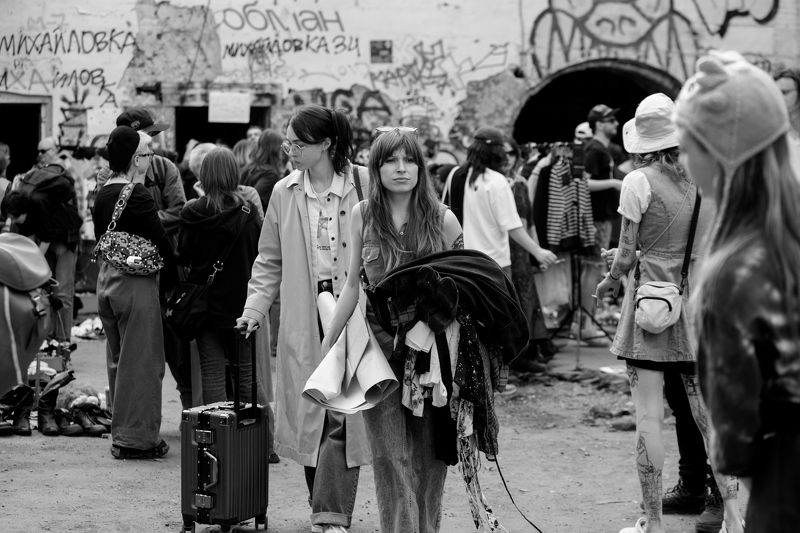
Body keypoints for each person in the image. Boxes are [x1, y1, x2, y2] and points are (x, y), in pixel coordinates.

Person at [595, 93, 743, 533]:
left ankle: (654, 523)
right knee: (708, 419)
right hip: (697, 307)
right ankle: (734, 518)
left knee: (648, 419)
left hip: (651, 309)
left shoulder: (638, 181)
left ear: (642, 141)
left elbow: (624, 257)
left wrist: (610, 278)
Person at [676, 50, 800, 532]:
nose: (684, 163)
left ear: (719, 155)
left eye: (689, 147)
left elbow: (734, 445)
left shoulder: (731, 276)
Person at [236, 104, 370, 533]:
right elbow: (269, 259)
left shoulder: (364, 183)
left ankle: (330, 514)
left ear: (327, 144)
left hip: (355, 311)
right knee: (313, 411)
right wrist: (254, 310)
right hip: (303, 313)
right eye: (289, 142)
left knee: (345, 410)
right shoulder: (284, 192)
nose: (290, 150)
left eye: (299, 143)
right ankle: (325, 507)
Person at [320, 128, 462, 532]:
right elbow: (351, 284)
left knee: (429, 458)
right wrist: (330, 344)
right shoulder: (363, 213)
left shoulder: (443, 219)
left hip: (432, 356)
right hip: (377, 351)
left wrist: (435, 328)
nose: (401, 169)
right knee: (389, 455)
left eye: (409, 160)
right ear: (376, 168)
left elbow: (462, 292)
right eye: (389, 161)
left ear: (420, 166)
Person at [93, 126, 174, 459]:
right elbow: (163, 242)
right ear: (133, 159)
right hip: (135, 284)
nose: (150, 159)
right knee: (141, 362)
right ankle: (137, 441)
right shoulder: (136, 194)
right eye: (146, 153)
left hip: (108, 280)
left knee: (119, 360)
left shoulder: (103, 192)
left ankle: (122, 432)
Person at [176, 147, 260, 405]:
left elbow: (184, 255)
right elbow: (259, 254)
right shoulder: (249, 213)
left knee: (212, 374)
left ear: (205, 176)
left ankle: (219, 440)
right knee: (244, 375)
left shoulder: (193, 213)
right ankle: (247, 438)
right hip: (242, 305)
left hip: (206, 306)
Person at [442, 126, 557, 280]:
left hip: (461, 263)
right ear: (497, 153)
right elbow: (512, 226)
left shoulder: (454, 175)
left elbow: (443, 215)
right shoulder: (496, 181)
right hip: (494, 265)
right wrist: (538, 251)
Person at [6, 136, 82, 343]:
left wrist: (33, 259)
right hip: (48, 236)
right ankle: (48, 340)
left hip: (64, 239)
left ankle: (63, 341)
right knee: (46, 289)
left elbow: (45, 236)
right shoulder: (23, 201)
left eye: (44, 150)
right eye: (38, 151)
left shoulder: (38, 202)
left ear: (55, 149)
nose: (40, 155)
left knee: (63, 291)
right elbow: (29, 237)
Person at [505, 138, 550, 372]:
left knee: (525, 299)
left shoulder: (520, 184)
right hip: (501, 248)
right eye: (504, 153)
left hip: (521, 250)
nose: (508, 158)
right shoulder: (490, 183)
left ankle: (525, 351)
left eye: (512, 153)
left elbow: (529, 222)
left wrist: (537, 251)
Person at [240, 129, 287, 213]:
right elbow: (254, 199)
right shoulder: (270, 175)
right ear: (275, 149)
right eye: (281, 146)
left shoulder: (249, 168)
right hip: (256, 220)